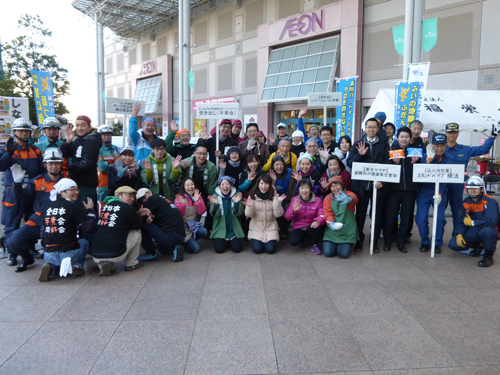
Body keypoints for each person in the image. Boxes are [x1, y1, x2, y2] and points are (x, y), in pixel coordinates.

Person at [8, 149, 65, 272]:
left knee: (52, 257)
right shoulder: (37, 181)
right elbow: (21, 197)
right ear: (45, 164)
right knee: (13, 242)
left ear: (61, 164)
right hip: (38, 219)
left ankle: (52, 263)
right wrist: (17, 183)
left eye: (57, 163)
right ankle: (27, 258)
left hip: (57, 220)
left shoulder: (67, 182)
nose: (54, 166)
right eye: (50, 163)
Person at [0, 118, 44, 265]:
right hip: (12, 191)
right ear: (14, 132)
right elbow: (1, 165)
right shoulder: (7, 148)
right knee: (12, 221)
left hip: (31, 190)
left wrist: (33, 183)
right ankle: (12, 253)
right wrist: (9, 153)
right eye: (21, 130)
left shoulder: (35, 150)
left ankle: (31, 247)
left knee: (31, 220)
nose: (24, 133)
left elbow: (41, 170)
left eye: (27, 130)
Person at [39, 178, 97, 282]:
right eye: (72, 189)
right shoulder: (74, 207)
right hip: (69, 255)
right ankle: (76, 266)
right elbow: (89, 228)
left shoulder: (47, 207)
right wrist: (90, 210)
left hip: (48, 254)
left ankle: (50, 266)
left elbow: (42, 232)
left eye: (77, 190)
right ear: (62, 192)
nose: (76, 192)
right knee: (84, 242)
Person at [445, 122, 497, 236]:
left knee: (457, 213)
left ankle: (457, 236)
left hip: (457, 186)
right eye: (449, 132)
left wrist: (492, 136)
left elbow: (483, 149)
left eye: (454, 132)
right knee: (439, 215)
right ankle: (437, 241)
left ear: (458, 133)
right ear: (445, 133)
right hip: (441, 186)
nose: (452, 135)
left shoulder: (465, 150)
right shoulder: (439, 149)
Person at [347, 117, 390, 252]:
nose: (371, 129)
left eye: (374, 127)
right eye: (368, 126)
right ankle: (359, 240)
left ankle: (374, 241)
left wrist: (382, 181)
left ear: (378, 129)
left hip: (378, 187)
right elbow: (349, 163)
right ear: (364, 129)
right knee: (360, 216)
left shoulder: (384, 144)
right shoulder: (358, 144)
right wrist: (359, 155)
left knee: (376, 216)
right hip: (361, 187)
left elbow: (388, 165)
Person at [91, 186, 149, 276]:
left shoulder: (106, 207)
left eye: (133, 196)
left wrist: (137, 214)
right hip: (117, 253)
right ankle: (132, 263)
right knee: (136, 232)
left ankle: (105, 263)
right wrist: (139, 216)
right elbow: (137, 225)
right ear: (118, 195)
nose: (132, 199)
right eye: (129, 195)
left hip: (95, 254)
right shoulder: (128, 208)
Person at [448, 176, 499, 267]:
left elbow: (492, 221)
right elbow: (461, 222)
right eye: (470, 188)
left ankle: (488, 256)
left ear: (482, 189)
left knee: (487, 232)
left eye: (475, 188)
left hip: (490, 229)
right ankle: (477, 246)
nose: (472, 191)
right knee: (453, 244)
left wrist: (473, 223)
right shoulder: (465, 202)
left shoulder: (489, 201)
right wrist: (459, 234)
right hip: (476, 230)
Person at [415, 133, 451, 254]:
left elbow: (448, 178)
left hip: (440, 192)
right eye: (437, 145)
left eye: (442, 145)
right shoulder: (425, 157)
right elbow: (420, 173)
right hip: (425, 191)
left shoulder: (449, 158)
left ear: (446, 146)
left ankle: (436, 242)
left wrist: (440, 194)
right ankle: (425, 241)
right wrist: (428, 162)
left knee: (439, 219)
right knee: (421, 218)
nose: (439, 148)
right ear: (432, 146)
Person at [385, 127, 419, 253]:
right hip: (393, 190)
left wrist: (417, 163)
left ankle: (401, 241)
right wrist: (393, 163)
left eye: (407, 137)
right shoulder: (392, 151)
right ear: (397, 138)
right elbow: (385, 168)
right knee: (390, 216)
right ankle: (388, 241)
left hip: (410, 190)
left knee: (406, 216)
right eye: (402, 136)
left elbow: (421, 170)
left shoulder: (415, 152)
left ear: (410, 139)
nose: (404, 139)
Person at [60, 115, 102, 205]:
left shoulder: (91, 141)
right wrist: (68, 141)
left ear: (89, 127)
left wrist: (68, 167)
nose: (79, 128)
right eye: (77, 125)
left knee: (86, 212)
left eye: (83, 125)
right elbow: (66, 154)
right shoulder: (78, 140)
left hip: (86, 185)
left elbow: (86, 164)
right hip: (76, 183)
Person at [136, 188, 186, 262]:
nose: (143, 201)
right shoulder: (161, 199)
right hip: (180, 236)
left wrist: (139, 214)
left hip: (171, 235)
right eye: (141, 200)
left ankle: (151, 253)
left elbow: (138, 219)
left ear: (150, 192)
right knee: (161, 249)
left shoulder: (152, 199)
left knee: (142, 225)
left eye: (143, 197)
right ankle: (174, 249)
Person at [180, 144, 218, 231]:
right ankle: (184, 228)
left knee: (209, 207)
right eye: (199, 153)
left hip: (203, 191)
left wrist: (210, 197)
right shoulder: (187, 162)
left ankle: (206, 228)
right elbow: (177, 177)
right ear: (194, 153)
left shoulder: (211, 166)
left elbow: (212, 184)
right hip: (187, 191)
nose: (202, 156)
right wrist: (182, 168)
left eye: (204, 154)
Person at [244, 174, 286, 254]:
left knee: (270, 250)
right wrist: (250, 207)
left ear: (270, 185)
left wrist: (277, 203)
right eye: (262, 183)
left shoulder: (274, 196)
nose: (264, 186)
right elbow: (248, 215)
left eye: (266, 183)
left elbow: (278, 215)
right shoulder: (252, 196)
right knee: (257, 250)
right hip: (256, 227)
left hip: (271, 227)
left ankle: (268, 242)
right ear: (258, 184)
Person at [284, 179, 325, 254]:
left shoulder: (318, 200)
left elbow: (321, 215)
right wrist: (294, 211)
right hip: (298, 227)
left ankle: (314, 244)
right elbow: (287, 217)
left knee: (318, 225)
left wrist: (317, 221)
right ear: (298, 189)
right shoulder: (295, 199)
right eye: (301, 188)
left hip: (311, 226)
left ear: (310, 189)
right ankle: (301, 241)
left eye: (306, 188)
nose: (304, 191)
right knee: (293, 241)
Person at [322, 176, 358, 258]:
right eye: (332, 186)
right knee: (328, 253)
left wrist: (348, 199)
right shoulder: (328, 198)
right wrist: (330, 222)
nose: (335, 188)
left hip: (347, 231)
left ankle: (347, 244)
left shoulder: (348, 194)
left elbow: (354, 199)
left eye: (337, 185)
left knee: (343, 254)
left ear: (342, 186)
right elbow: (327, 212)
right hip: (332, 232)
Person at [208, 176, 245, 253]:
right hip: (220, 228)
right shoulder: (215, 196)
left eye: (227, 184)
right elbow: (214, 214)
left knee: (237, 249)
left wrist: (236, 203)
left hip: (233, 229)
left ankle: (230, 240)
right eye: (222, 184)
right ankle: (223, 240)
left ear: (231, 185)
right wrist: (216, 205)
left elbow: (239, 213)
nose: (225, 186)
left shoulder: (236, 195)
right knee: (219, 250)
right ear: (219, 186)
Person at [174, 178, 208, 254]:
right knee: (196, 249)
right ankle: (182, 242)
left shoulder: (197, 196)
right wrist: (182, 205)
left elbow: (202, 211)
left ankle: (191, 240)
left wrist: (197, 201)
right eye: (187, 185)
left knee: (204, 232)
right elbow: (177, 216)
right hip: (183, 229)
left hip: (193, 226)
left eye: (192, 184)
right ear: (183, 187)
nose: (190, 187)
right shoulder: (179, 198)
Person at [269, 155, 296, 240]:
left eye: (281, 164)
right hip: (275, 198)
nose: (279, 167)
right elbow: (268, 190)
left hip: (287, 198)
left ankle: (284, 230)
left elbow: (291, 188)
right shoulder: (270, 173)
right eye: (276, 165)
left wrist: (288, 201)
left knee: (286, 214)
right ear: (273, 165)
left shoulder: (290, 172)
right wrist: (273, 183)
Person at [97, 124, 119, 208]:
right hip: (103, 181)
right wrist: (116, 164)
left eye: (109, 135)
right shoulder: (98, 149)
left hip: (116, 181)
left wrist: (110, 164)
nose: (106, 137)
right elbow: (103, 167)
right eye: (104, 135)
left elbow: (122, 163)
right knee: (103, 205)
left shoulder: (116, 149)